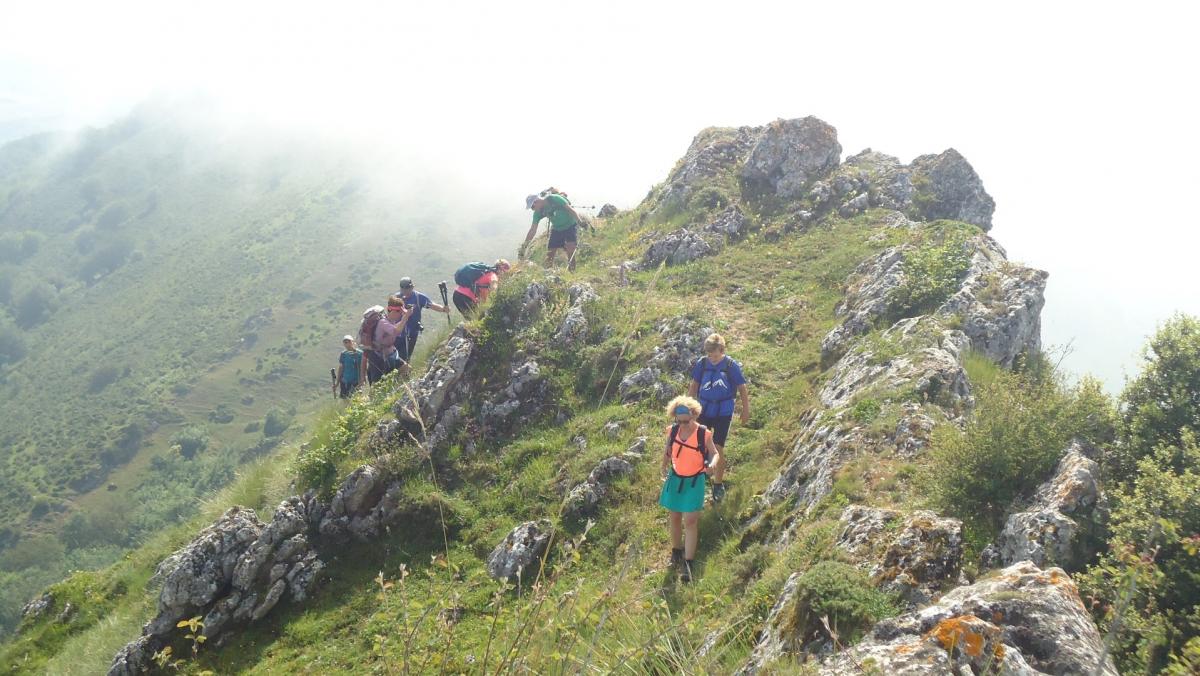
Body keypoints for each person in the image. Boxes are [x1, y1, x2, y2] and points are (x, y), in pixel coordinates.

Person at [659, 396, 720, 583]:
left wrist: (712, 465)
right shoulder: (673, 430)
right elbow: (668, 450)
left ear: (694, 415)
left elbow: (714, 453)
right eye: (680, 421)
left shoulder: (703, 434)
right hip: (675, 479)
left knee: (690, 521)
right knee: (675, 517)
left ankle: (688, 563)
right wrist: (663, 465)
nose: (683, 425)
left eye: (687, 421)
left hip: (694, 481)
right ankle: (676, 551)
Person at [687, 333, 750, 503]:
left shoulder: (731, 365)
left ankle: (718, 484)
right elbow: (694, 386)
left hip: (724, 410)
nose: (712, 359)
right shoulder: (702, 364)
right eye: (709, 355)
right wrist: (688, 410)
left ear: (722, 351)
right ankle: (699, 479)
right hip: (704, 409)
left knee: (718, 447)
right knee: (699, 446)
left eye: (715, 355)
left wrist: (745, 410)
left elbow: (742, 388)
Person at [392, 277, 450, 366]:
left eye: (407, 289)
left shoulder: (418, 297)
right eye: (403, 290)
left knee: (406, 357)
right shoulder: (396, 298)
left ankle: (403, 375)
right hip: (397, 333)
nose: (406, 292)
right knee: (394, 357)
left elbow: (431, 305)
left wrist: (443, 309)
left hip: (411, 334)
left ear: (412, 287)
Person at [525, 191, 583, 271]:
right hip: (557, 229)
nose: (533, 209)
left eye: (532, 207)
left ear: (537, 201)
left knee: (570, 250)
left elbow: (571, 210)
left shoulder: (555, 199)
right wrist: (525, 245)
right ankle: (548, 273)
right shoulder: (538, 212)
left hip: (570, 225)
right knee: (550, 253)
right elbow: (533, 229)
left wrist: (580, 222)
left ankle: (572, 274)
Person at [360, 296, 411, 383]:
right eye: (399, 312)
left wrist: (405, 318)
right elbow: (396, 332)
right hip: (377, 357)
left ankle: (400, 390)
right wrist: (405, 318)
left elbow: (395, 328)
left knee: (406, 368)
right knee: (377, 385)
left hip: (390, 354)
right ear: (391, 310)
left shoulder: (390, 321)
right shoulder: (382, 322)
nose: (401, 314)